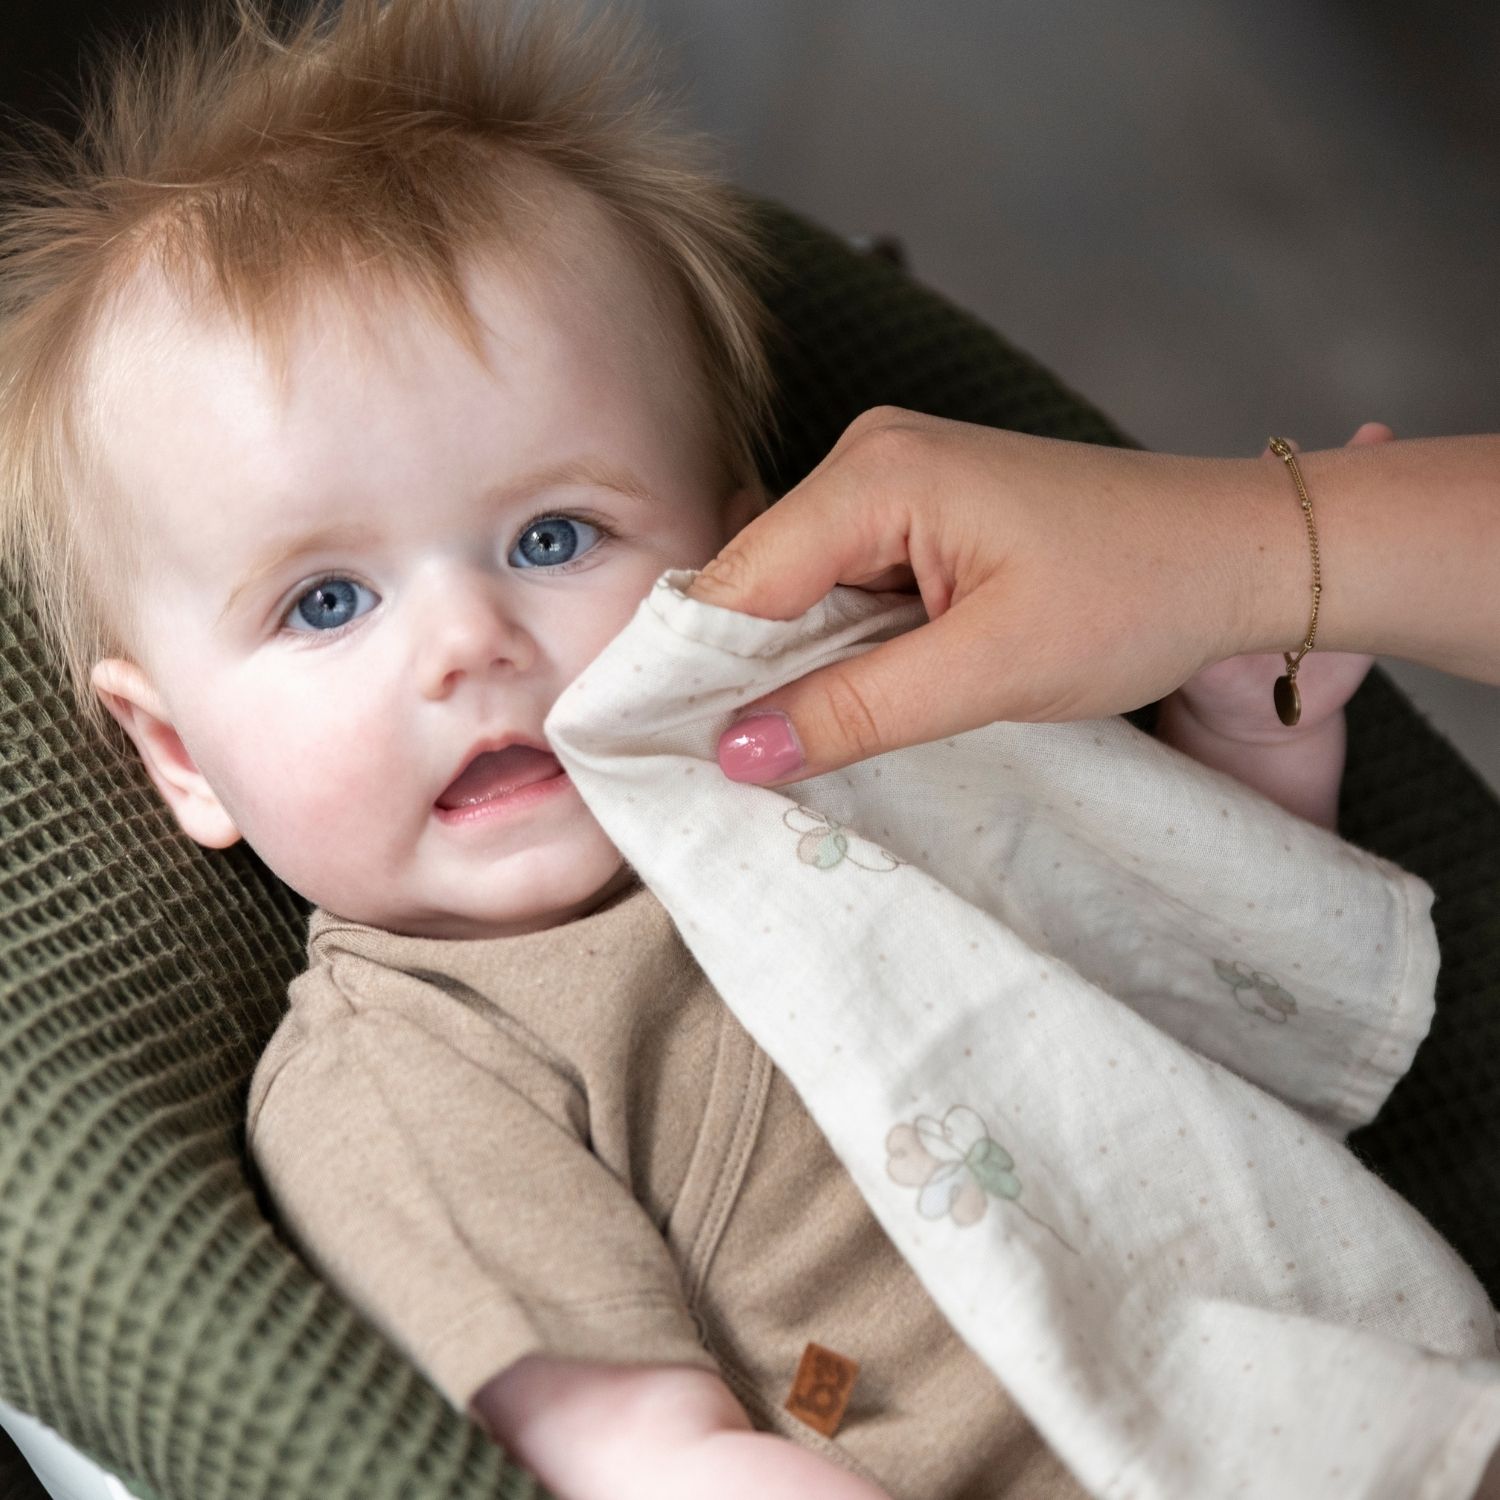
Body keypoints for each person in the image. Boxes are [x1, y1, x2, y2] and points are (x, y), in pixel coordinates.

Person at [1, 3, 1493, 1498]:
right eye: (327, 601)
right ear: (178, 752)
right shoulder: (417, 1068)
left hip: (1388, 1409)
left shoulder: (869, 718)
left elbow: (1200, 972)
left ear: (738, 542)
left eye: (552, 534)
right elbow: (636, 1456)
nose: (468, 644)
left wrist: (1243, 727)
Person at [685, 410, 1500, 803]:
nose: (545, 653)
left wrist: (1244, 735)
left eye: (560, 541)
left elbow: (1243, 991)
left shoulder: (916, 735)